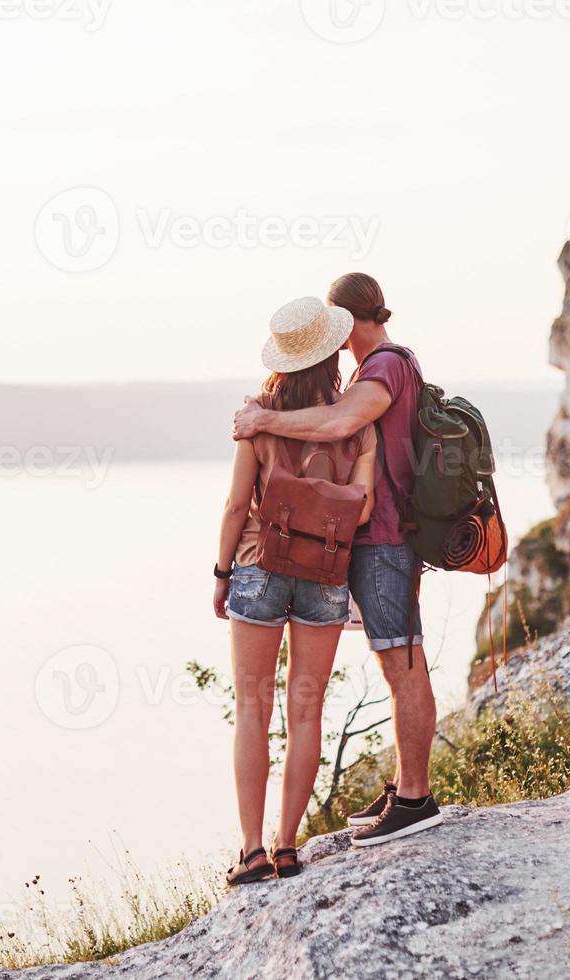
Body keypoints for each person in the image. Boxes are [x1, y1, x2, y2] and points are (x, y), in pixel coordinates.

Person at [232, 272, 443, 848]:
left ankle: (416, 800)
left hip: (384, 539)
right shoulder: (377, 368)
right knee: (395, 660)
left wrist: (264, 419)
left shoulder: (385, 367)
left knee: (402, 663)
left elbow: (342, 423)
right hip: (377, 539)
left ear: (345, 322)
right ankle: (405, 783)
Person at [214, 296, 377, 885]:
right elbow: (365, 510)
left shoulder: (257, 415)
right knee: (306, 712)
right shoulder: (353, 422)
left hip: (258, 569)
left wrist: (220, 573)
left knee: (253, 711)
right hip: (325, 577)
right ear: (332, 350)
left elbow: (237, 505)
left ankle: (252, 852)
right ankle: (288, 848)